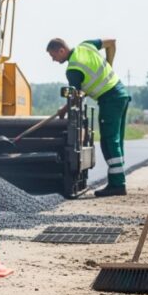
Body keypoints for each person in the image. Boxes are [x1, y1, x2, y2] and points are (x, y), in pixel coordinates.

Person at [47, 38, 131, 197]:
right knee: (116, 141)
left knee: (109, 141)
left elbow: (75, 98)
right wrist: (109, 65)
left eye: (53, 56)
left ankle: (118, 185)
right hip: (121, 94)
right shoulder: (86, 45)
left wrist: (63, 110)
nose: (53, 60)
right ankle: (117, 182)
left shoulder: (73, 69)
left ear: (61, 50)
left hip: (109, 100)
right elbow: (112, 42)